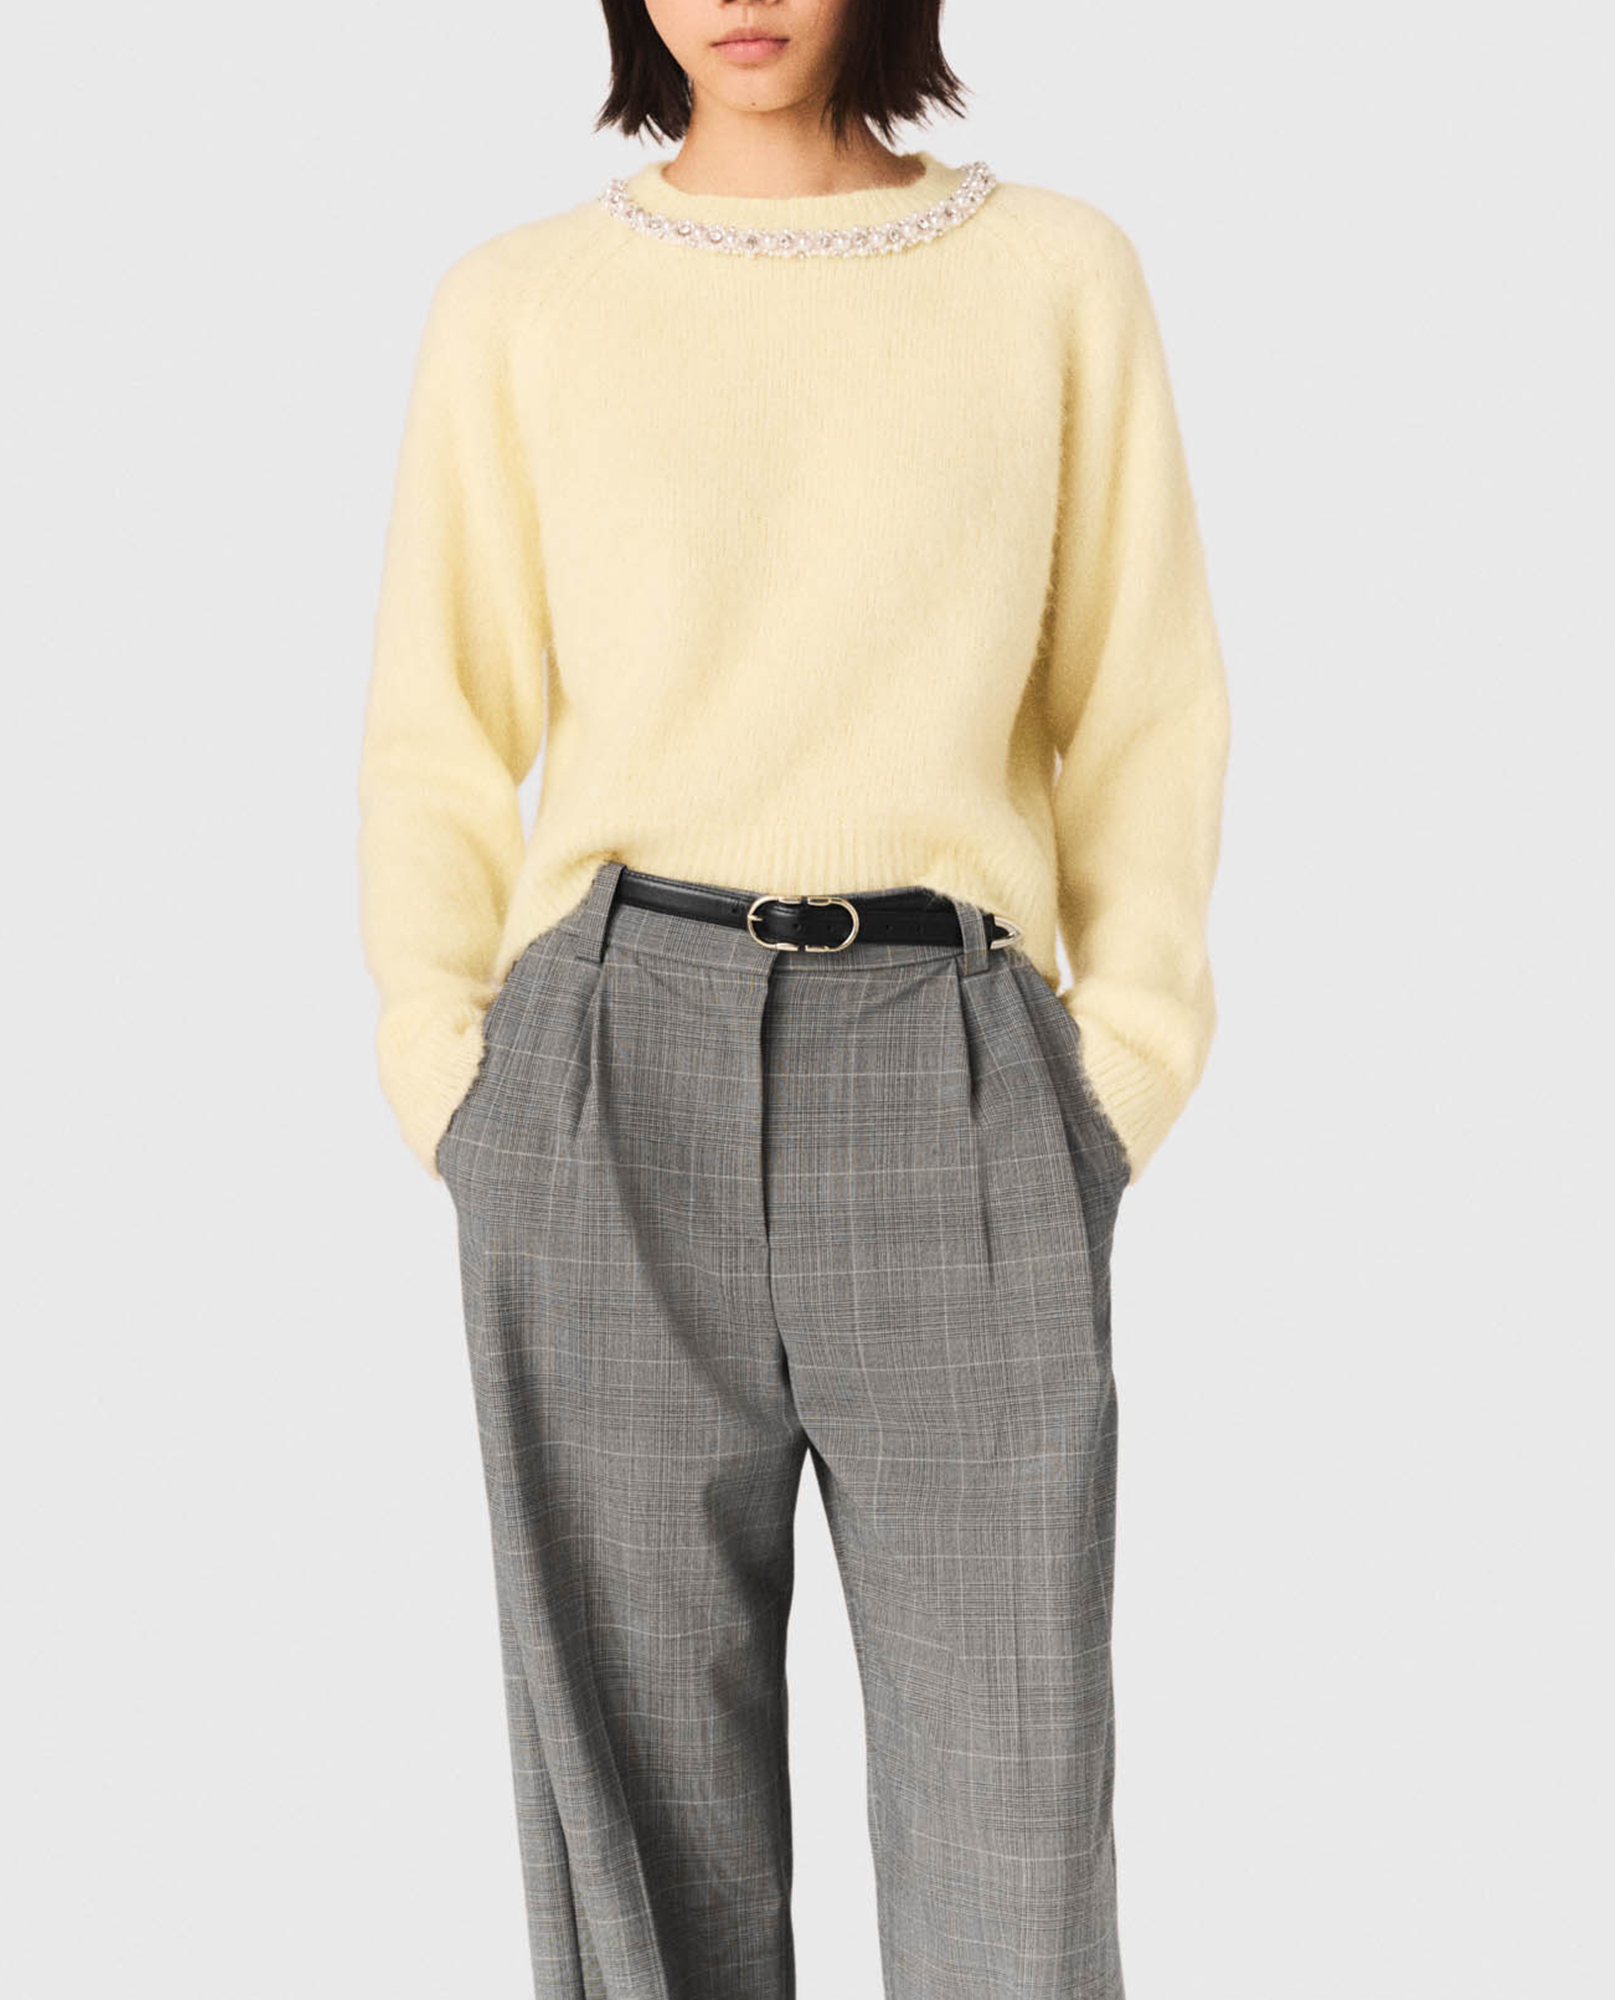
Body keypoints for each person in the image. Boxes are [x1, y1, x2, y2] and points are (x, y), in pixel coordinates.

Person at [355, 1, 1230, 1992]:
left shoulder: (1054, 276)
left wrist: (1115, 1075)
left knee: (1013, 1840)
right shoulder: (521, 305)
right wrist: (450, 1077)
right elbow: (435, 729)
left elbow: (1145, 707)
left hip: (960, 1066)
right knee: (636, 1861)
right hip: (604, 1078)